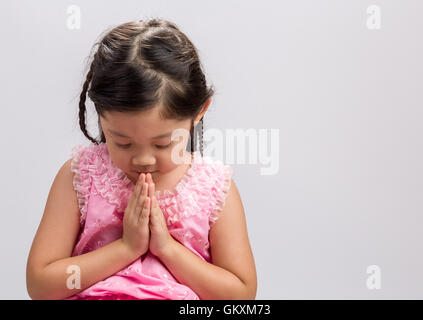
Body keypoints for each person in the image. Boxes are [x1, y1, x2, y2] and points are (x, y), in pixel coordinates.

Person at [26, 18, 257, 300]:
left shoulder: (213, 187)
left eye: (163, 143)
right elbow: (41, 286)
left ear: (199, 111)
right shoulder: (81, 176)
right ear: (100, 113)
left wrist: (167, 249)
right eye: (122, 142)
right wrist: (126, 248)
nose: (144, 159)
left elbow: (240, 296)